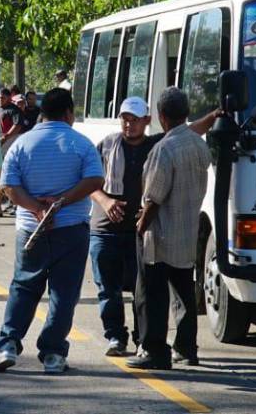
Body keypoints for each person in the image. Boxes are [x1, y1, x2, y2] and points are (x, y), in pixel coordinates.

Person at [0, 88, 104, 375]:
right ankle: (52, 353)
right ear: (68, 113)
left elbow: (9, 187)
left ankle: (8, 345)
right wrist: (62, 200)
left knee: (24, 287)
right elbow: (95, 179)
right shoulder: (81, 144)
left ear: (42, 113)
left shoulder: (21, 143)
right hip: (71, 230)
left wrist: (37, 210)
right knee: (63, 294)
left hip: (30, 230)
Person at [126, 88, 211, 370]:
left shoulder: (164, 149)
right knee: (185, 291)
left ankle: (154, 350)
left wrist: (141, 224)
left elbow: (153, 197)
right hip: (187, 229)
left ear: (161, 117)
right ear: (185, 113)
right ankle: (187, 349)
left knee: (154, 294)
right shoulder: (199, 145)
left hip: (160, 234)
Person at [88, 96, 161, 357]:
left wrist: (213, 117)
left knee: (141, 289)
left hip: (138, 232)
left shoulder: (156, 146)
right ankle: (115, 337)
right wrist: (106, 201)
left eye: (134, 120)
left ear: (147, 121)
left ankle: (143, 339)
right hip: (104, 230)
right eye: (124, 119)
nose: (128, 125)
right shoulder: (106, 146)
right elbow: (88, 181)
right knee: (108, 289)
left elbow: (186, 132)